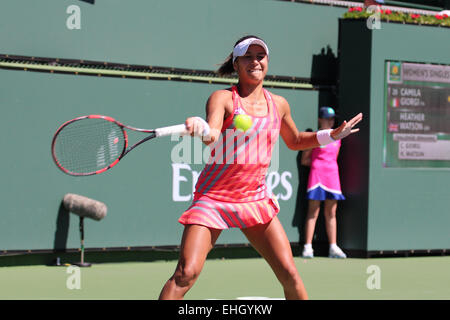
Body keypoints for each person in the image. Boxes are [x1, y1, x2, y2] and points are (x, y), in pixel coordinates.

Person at [158, 35, 362, 300]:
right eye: (248, 56)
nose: (255, 61)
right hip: (213, 199)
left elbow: (296, 140)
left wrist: (331, 135)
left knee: (289, 274)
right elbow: (212, 134)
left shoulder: (278, 104)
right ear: (236, 63)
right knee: (186, 273)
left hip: (253, 199)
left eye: (260, 56)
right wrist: (201, 127)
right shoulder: (222, 98)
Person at [301, 107, 347, 259]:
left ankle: (333, 247)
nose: (331, 121)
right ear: (320, 119)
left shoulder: (337, 138)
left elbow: (334, 158)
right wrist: (319, 166)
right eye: (327, 118)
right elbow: (305, 159)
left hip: (333, 177)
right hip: (317, 177)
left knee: (331, 212)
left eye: (332, 119)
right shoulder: (314, 137)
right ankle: (308, 247)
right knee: (313, 212)